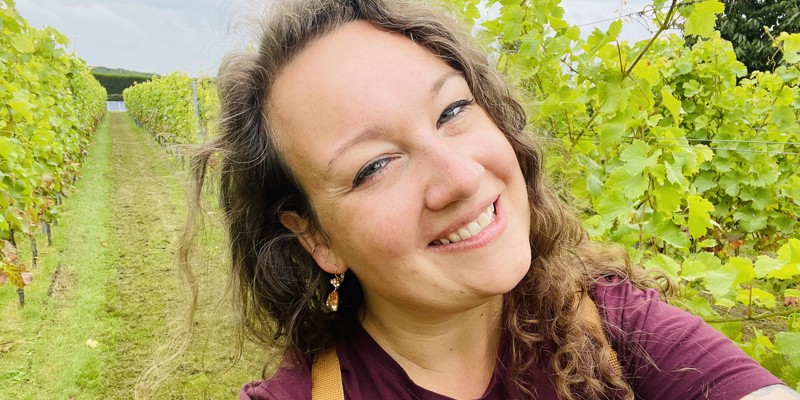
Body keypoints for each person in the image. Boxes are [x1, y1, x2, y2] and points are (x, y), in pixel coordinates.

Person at [182, 0, 798, 398]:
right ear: (317, 238)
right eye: (373, 167)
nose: (460, 176)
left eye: (452, 110)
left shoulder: (609, 321)